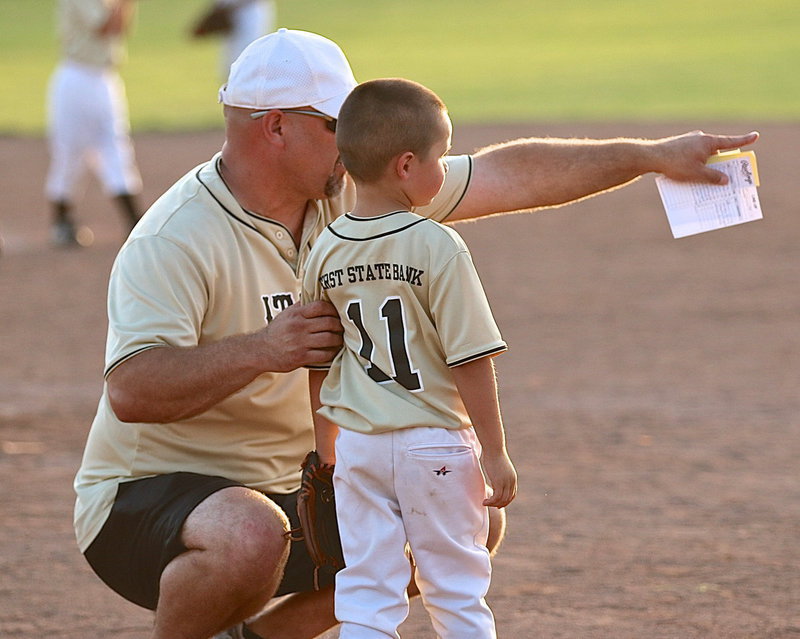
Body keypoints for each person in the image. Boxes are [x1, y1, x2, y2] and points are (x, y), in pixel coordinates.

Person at [72, 27, 758, 639]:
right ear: (274, 126)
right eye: (333, 123)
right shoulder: (174, 238)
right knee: (251, 534)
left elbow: (508, 175)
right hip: (151, 495)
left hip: (302, 482)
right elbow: (131, 389)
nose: (352, 138)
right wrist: (264, 349)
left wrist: (649, 155)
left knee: (462, 516)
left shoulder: (352, 187)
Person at [303, 78, 517, 638]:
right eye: (440, 157)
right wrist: (494, 452)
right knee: (455, 587)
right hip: (435, 443)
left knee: (368, 590)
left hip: (360, 447)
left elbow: (319, 359)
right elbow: (470, 358)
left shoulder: (325, 249)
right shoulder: (437, 245)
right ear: (405, 166)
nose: (444, 170)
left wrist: (326, 447)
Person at [45, 0, 143, 247]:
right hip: (76, 78)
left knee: (116, 148)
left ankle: (135, 225)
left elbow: (119, 28)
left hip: (105, 80)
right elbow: (103, 26)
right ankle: (61, 224)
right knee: (70, 153)